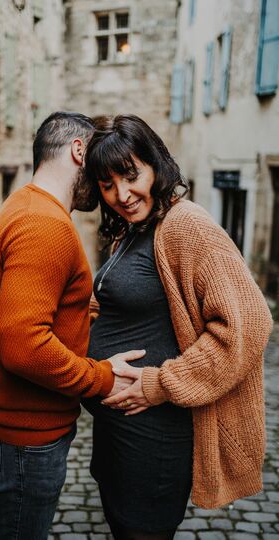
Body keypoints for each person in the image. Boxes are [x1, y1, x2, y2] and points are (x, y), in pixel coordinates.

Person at [82, 114, 273, 540]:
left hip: (155, 439)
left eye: (130, 176)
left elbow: (249, 322)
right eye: (107, 184)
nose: (121, 194)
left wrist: (162, 383)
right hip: (119, 436)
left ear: (155, 164)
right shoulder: (135, 229)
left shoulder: (186, 225)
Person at [0, 111, 145, 540]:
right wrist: (101, 379)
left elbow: (34, 310)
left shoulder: (24, 205)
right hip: (21, 439)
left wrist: (85, 307)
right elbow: (23, 344)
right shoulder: (45, 224)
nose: (104, 184)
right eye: (98, 164)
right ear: (79, 151)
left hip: (9, 434)